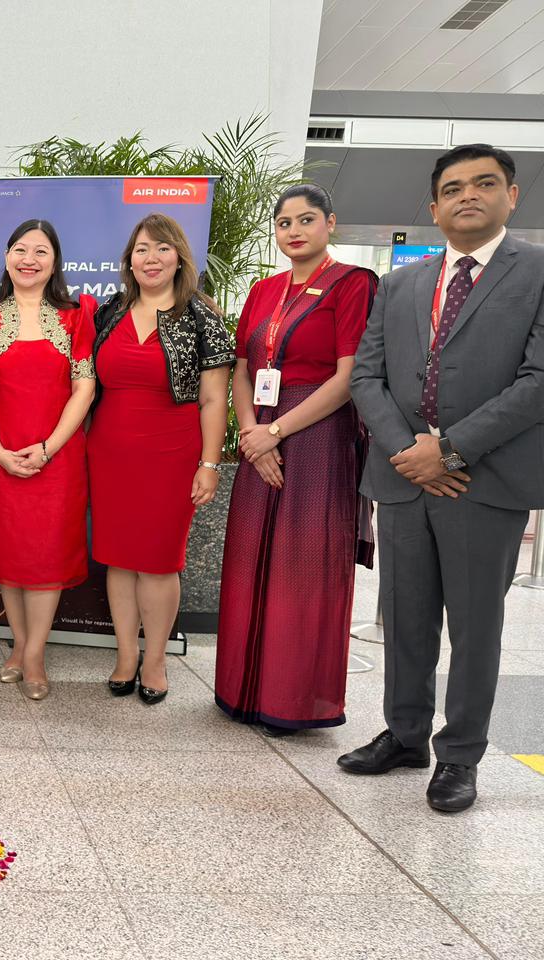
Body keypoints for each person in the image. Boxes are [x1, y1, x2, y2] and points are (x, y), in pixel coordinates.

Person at [341, 144, 544, 813]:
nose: (468, 196)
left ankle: (460, 755)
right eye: (453, 188)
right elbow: (367, 376)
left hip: (483, 481)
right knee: (404, 618)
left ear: (511, 195)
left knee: (476, 625)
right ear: (434, 207)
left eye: (484, 183)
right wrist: (410, 452)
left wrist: (449, 452)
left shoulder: (537, 272)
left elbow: (538, 382)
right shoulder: (401, 283)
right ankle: (405, 735)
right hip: (403, 476)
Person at [214, 186, 378, 736]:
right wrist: (252, 433)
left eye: (306, 220)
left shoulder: (353, 283)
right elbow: (242, 369)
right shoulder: (263, 290)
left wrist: (276, 432)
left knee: (302, 564)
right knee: (249, 559)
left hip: (318, 435)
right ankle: (240, 690)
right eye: (284, 222)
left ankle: (292, 699)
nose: (294, 231)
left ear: (330, 223)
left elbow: (349, 377)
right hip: (259, 429)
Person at [88, 214, 232, 705]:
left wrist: (209, 464)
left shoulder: (201, 317)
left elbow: (213, 400)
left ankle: (155, 660)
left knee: (157, 560)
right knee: (118, 558)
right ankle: (126, 655)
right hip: (109, 453)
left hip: (171, 455)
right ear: (129, 260)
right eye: (142, 249)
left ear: (179, 258)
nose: (151, 258)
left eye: (162, 248)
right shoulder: (109, 312)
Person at [0, 219, 96, 700]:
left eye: (40, 251)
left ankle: (34, 654)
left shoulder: (77, 316)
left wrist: (49, 447)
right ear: (7, 257)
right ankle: (19, 645)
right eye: (20, 249)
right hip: (1, 457)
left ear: (54, 262)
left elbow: (84, 390)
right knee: (10, 557)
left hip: (57, 458)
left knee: (46, 558)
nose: (28, 259)